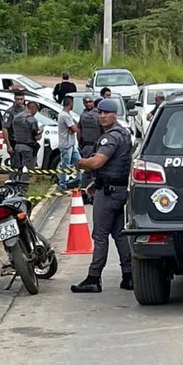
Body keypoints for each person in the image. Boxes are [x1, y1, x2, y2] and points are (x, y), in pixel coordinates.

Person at [71, 97, 133, 293]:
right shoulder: (124, 133)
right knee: (120, 235)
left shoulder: (110, 137)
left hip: (108, 194)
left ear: (115, 114)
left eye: (106, 112)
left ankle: (93, 278)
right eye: (100, 112)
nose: (102, 116)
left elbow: (97, 162)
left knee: (100, 236)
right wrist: (95, 183)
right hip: (118, 190)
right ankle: (129, 275)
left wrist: (80, 162)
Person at [11, 100, 42, 184]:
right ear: (34, 109)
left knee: (17, 170)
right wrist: (41, 131)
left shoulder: (16, 118)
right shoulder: (32, 120)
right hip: (28, 148)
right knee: (27, 171)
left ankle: (13, 187)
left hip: (17, 146)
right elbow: (37, 136)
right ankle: (22, 189)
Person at [77, 96, 101, 193]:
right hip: (95, 147)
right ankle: (91, 192)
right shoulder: (98, 116)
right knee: (95, 171)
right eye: (86, 102)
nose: (88, 104)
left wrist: (80, 144)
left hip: (87, 146)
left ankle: (84, 192)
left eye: (90, 102)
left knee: (87, 171)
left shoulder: (83, 116)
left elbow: (79, 131)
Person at [57, 96, 80, 190]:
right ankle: (62, 184)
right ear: (70, 103)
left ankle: (79, 181)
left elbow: (75, 125)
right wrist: (74, 127)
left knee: (79, 162)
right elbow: (75, 128)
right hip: (66, 144)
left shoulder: (67, 114)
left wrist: (74, 127)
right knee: (65, 165)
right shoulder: (64, 115)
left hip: (71, 144)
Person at [2, 91, 26, 160]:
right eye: (17, 99)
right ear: (14, 99)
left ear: (24, 99)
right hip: (14, 142)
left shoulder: (25, 110)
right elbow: (5, 129)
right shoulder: (10, 112)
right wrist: (8, 146)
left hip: (24, 142)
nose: (19, 101)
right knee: (16, 164)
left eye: (21, 99)